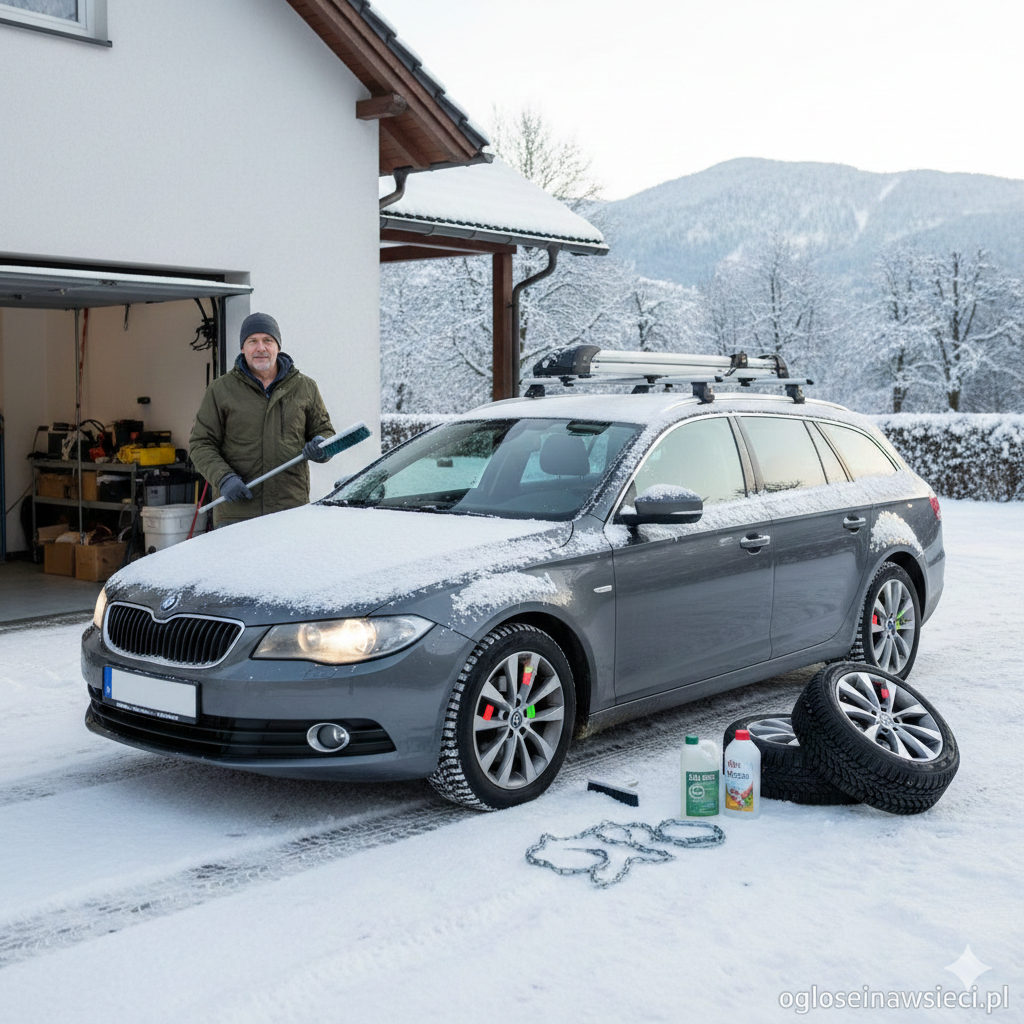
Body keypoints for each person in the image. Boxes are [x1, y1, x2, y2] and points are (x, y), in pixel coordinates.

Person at [189, 312, 335, 528]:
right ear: (243, 348)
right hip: (237, 514)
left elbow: (325, 432)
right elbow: (201, 444)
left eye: (268, 340)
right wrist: (224, 478)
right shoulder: (220, 390)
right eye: (252, 341)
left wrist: (322, 447)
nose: (261, 348)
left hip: (290, 509)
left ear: (278, 347)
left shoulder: (305, 387)